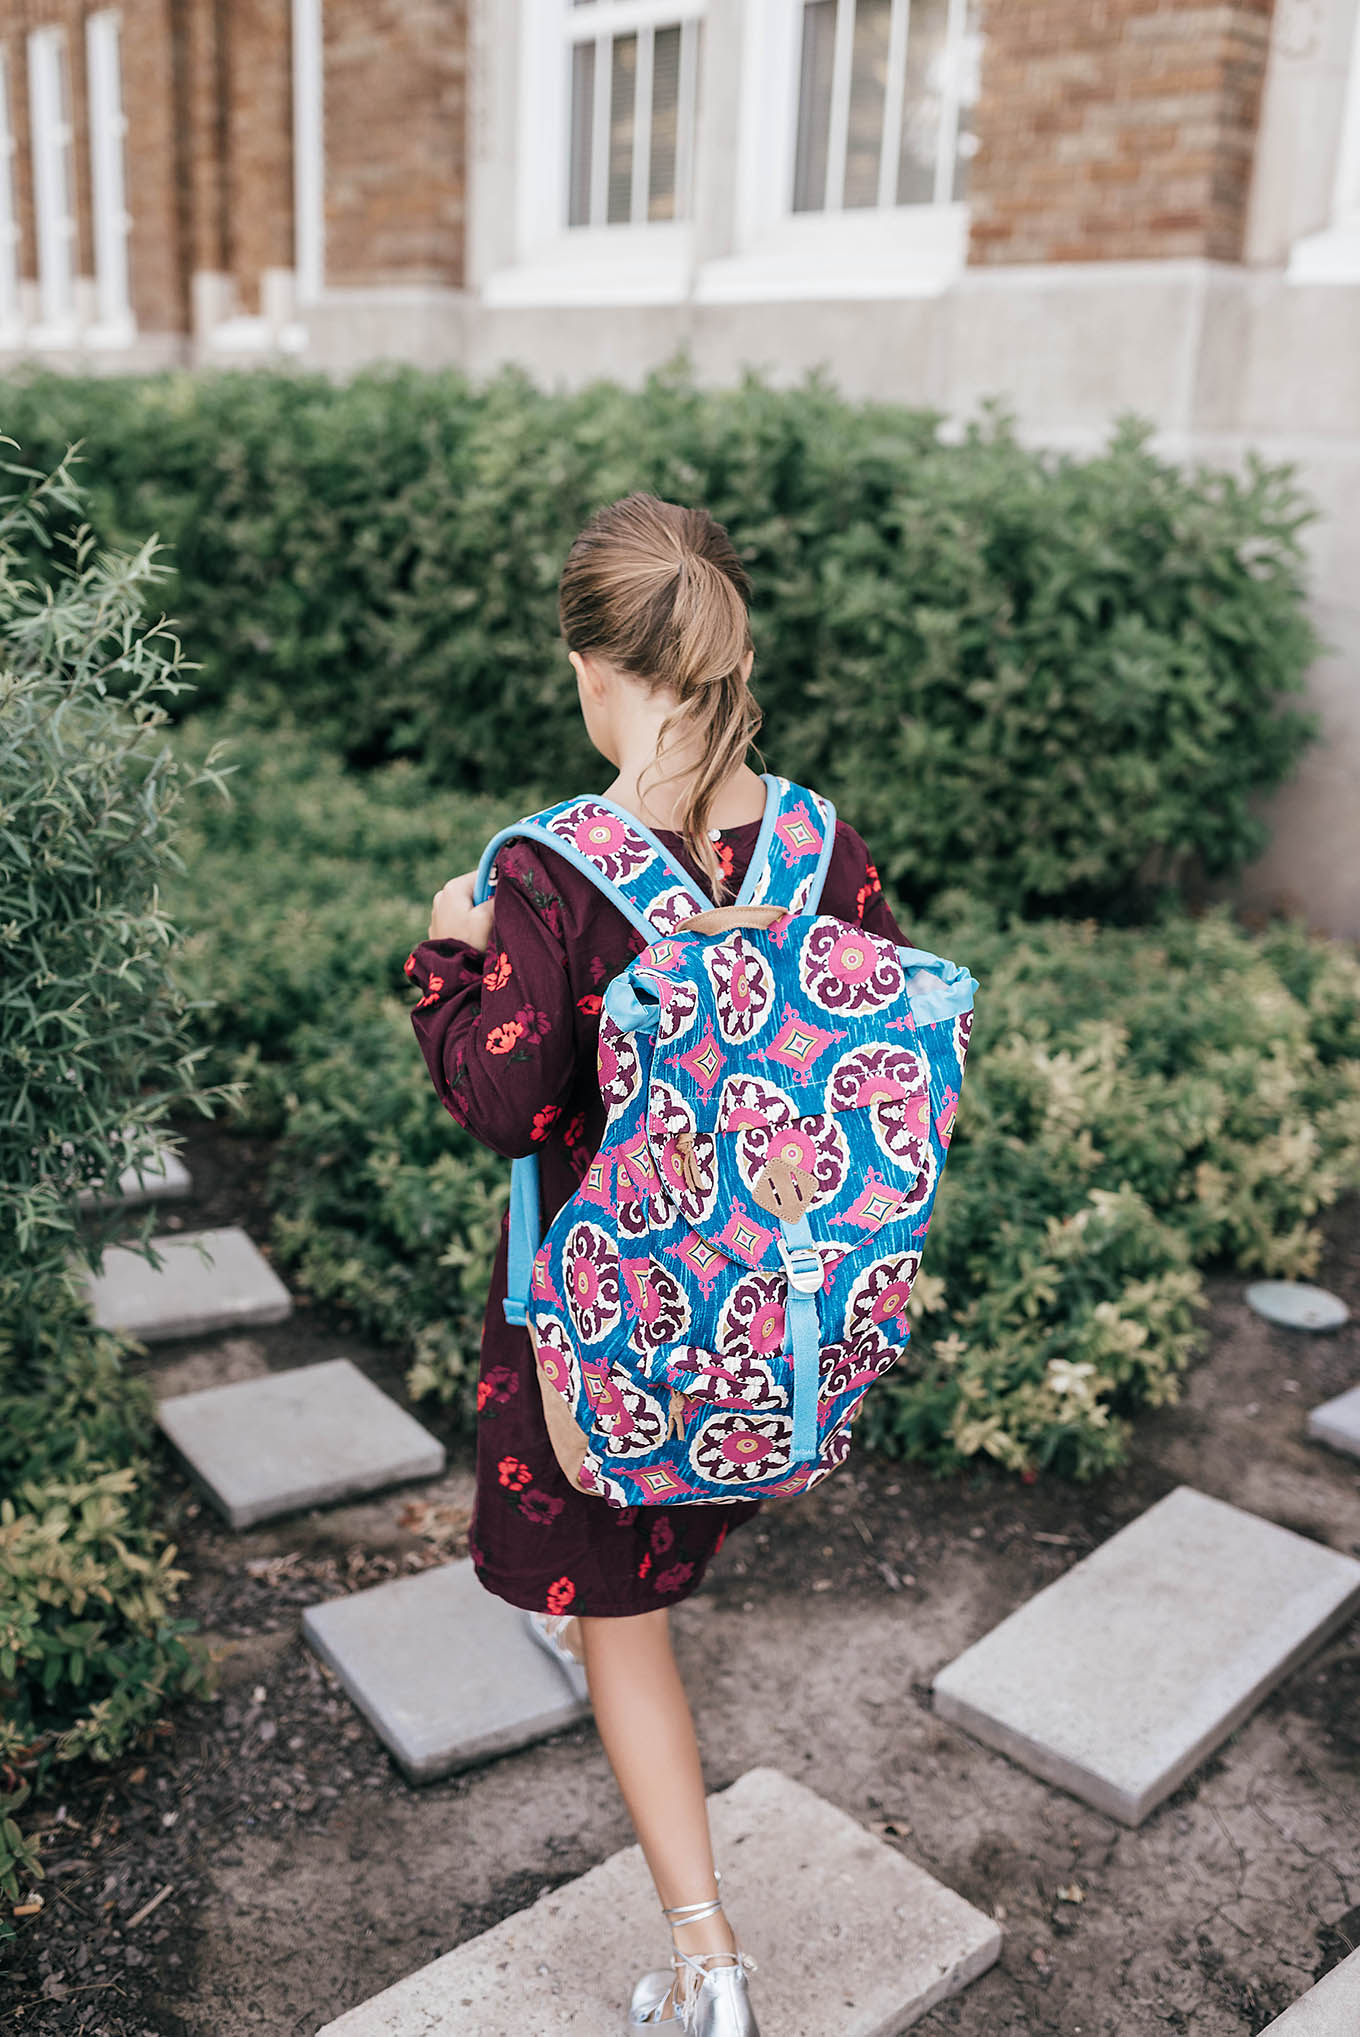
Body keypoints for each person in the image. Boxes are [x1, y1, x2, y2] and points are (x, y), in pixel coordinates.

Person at [406, 492, 909, 2035]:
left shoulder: (553, 873)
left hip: (606, 1346)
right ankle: (706, 1956)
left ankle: (712, 1971)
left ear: (591, 663)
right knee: (640, 1604)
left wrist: (441, 954)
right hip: (771, 1323)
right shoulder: (818, 840)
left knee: (617, 1625)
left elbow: (505, 1099)